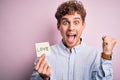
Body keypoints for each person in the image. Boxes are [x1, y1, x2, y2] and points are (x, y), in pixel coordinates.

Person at [31, 0, 117, 80]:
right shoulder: (44, 56)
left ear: (83, 25)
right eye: (65, 22)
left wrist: (107, 55)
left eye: (76, 22)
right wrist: (44, 78)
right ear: (58, 26)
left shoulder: (96, 56)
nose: (71, 28)